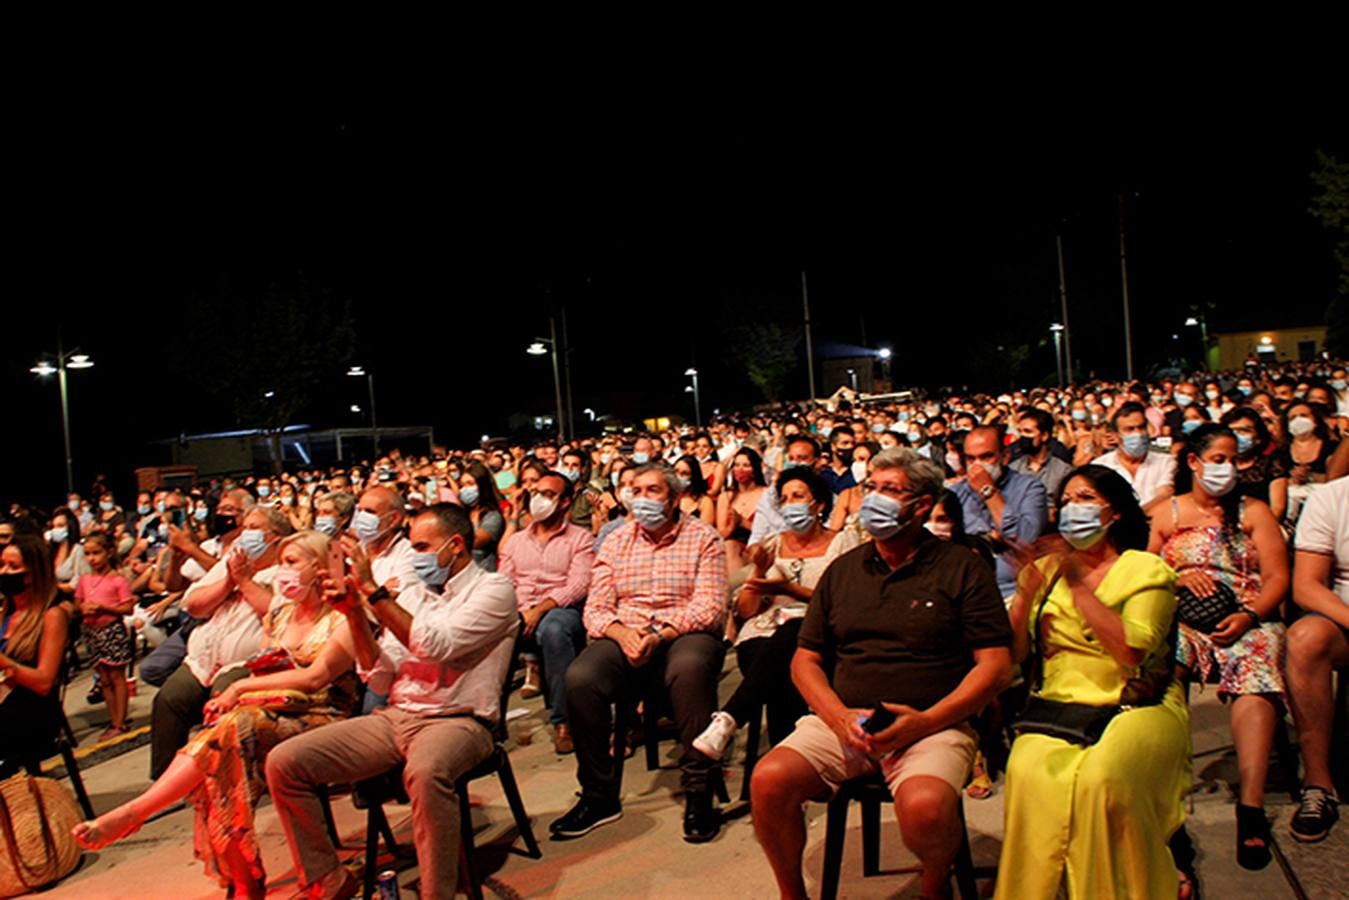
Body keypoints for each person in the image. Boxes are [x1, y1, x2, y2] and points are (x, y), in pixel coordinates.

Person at [750, 448, 1013, 900]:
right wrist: (837, 718)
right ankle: (792, 895)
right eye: (871, 487)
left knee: (925, 807)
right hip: (846, 721)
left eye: (890, 490)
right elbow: (805, 660)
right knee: (768, 780)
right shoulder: (844, 571)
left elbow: (996, 666)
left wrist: (927, 721)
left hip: (933, 723)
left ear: (923, 504)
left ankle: (935, 888)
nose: (875, 498)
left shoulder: (960, 567)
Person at [73, 531, 359, 898]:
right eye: (281, 562)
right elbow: (266, 668)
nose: (282, 571)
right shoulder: (280, 612)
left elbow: (314, 677)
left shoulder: (343, 614)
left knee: (232, 732)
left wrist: (239, 690)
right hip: (272, 711)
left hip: (324, 713)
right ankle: (242, 875)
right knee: (221, 751)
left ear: (318, 568)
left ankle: (149, 819)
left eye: (291, 563)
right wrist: (243, 694)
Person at [265, 504, 519, 900]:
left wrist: (374, 592)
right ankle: (329, 879)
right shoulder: (414, 596)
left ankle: (439, 894)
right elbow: (379, 672)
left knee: (426, 769)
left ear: (454, 546)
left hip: (461, 721)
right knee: (285, 762)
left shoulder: (495, 590)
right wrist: (352, 613)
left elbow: (437, 646)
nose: (415, 556)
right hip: (398, 715)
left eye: (421, 547)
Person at [998, 464, 1188, 898]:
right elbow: (1015, 656)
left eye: (1085, 499)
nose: (1072, 510)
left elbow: (1131, 652)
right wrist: (1025, 589)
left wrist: (1078, 583)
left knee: (1102, 779)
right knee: (1028, 770)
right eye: (1066, 501)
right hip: (1059, 708)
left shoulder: (1145, 569)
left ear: (1115, 512)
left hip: (1136, 705)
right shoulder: (1043, 571)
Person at [551, 464, 728, 843]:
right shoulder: (616, 540)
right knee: (581, 678)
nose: (641, 498)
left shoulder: (703, 537)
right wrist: (623, 634)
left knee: (689, 667)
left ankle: (699, 788)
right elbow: (595, 610)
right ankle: (599, 796)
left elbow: (711, 608)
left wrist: (656, 635)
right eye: (635, 490)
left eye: (653, 491)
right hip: (624, 633)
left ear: (675, 498)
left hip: (682, 632)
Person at [1148, 423, 1289, 870]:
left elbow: (1278, 577)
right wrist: (1174, 577)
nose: (1228, 468)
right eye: (1219, 459)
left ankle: (1250, 808)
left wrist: (1250, 615)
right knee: (1162, 669)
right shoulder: (1165, 513)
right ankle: (1167, 810)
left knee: (1257, 662)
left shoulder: (1253, 511)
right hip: (1182, 618)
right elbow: (1143, 572)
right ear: (1194, 462)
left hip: (1245, 614)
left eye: (1233, 459)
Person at [694, 467, 836, 759]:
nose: (790, 504)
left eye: (798, 496)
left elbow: (841, 603)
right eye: (784, 499)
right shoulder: (770, 546)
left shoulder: (842, 544)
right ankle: (792, 764)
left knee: (793, 636)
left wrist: (792, 590)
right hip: (763, 633)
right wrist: (758, 571)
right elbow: (746, 611)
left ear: (819, 504)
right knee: (780, 661)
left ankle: (731, 721)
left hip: (820, 635)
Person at [149, 505, 291, 778]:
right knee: (169, 699)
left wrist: (246, 582)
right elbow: (193, 604)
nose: (244, 535)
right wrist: (228, 582)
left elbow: (279, 613)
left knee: (221, 702)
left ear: (275, 537)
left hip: (246, 663)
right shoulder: (231, 561)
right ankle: (165, 781)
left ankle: (219, 779)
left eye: (253, 529)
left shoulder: (284, 569)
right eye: (245, 527)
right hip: (202, 661)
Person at [498, 470, 595, 754]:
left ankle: (564, 722)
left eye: (549, 495)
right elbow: (505, 582)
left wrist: (539, 609)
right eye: (537, 493)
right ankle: (489, 720)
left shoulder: (580, 538)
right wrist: (520, 610)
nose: (539, 499)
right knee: (492, 632)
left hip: (560, 608)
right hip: (521, 608)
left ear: (565, 502)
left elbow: (579, 584)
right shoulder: (516, 541)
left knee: (552, 630)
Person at [1284, 474, 1348, 842]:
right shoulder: (1332, 497)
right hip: (1343, 618)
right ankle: (1318, 785)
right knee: (1305, 639)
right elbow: (1307, 586)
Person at [951, 426, 1049, 598]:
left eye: (986, 457)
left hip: (1013, 591)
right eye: (970, 459)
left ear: (1004, 457)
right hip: (965, 589)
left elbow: (1025, 539)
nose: (977, 465)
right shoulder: (956, 493)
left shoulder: (1030, 488)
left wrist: (988, 491)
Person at [0, 535, 69, 778]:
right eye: (2, 565)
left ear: (33, 573)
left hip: (33, 714)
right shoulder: (5, 613)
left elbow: (43, 682)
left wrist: (4, 663)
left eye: (13, 567)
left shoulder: (52, 616)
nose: (5, 572)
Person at [75, 533, 136, 738]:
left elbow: (128, 608)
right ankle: (113, 720)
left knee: (117, 677)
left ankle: (120, 721)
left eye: (96, 553)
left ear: (109, 552)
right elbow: (78, 602)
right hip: (92, 631)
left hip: (111, 630)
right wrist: (83, 608)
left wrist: (104, 608)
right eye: (88, 554)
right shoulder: (84, 580)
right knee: (104, 679)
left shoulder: (117, 580)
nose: (92, 558)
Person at [1093, 401, 1177, 506]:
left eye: (1141, 427)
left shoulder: (1166, 461)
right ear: (1115, 436)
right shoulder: (1101, 466)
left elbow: (1164, 494)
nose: (1138, 433)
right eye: (1130, 429)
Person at [748, 435, 822, 546]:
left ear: (817, 461)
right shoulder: (770, 495)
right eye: (791, 459)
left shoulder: (827, 492)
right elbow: (757, 536)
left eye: (802, 458)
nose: (796, 463)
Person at [1221, 406, 1289, 521]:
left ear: (1258, 437)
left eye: (1244, 431)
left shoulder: (1271, 465)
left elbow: (1277, 508)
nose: (1237, 436)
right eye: (1232, 431)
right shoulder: (1217, 466)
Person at [1009, 408, 1073, 520]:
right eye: (1020, 431)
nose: (1022, 436)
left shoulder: (1063, 471)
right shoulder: (1012, 469)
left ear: (1044, 436)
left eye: (1028, 432)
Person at [716, 447, 769, 573]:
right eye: (737, 465)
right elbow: (720, 534)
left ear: (755, 469)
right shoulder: (725, 497)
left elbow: (772, 532)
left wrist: (744, 523)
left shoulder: (766, 494)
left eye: (746, 465)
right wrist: (732, 526)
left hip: (759, 546)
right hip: (732, 547)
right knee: (729, 546)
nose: (740, 470)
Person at [456, 461, 506, 571]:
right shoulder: (463, 513)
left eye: (470, 484)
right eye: (462, 485)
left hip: (484, 572)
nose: (465, 489)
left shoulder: (492, 515)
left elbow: (476, 542)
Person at [673, 454, 716, 521]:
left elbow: (706, 529)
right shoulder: (666, 497)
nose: (678, 476)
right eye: (676, 471)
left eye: (685, 473)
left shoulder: (704, 502)